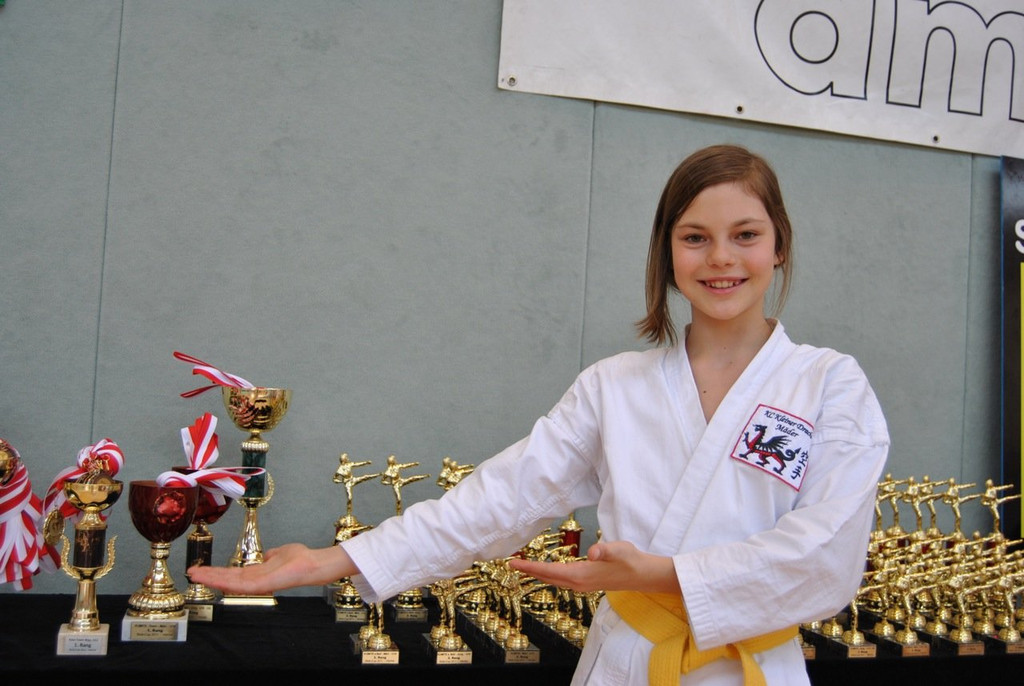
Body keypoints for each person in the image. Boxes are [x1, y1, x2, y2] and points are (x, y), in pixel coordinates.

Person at [190, 144, 890, 685]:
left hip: (755, 667)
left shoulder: (830, 385)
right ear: (667, 251)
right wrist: (332, 559)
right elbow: (496, 502)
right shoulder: (614, 387)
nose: (721, 259)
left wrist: (662, 576)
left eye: (746, 234)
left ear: (779, 245)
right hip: (628, 661)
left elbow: (822, 553)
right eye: (695, 237)